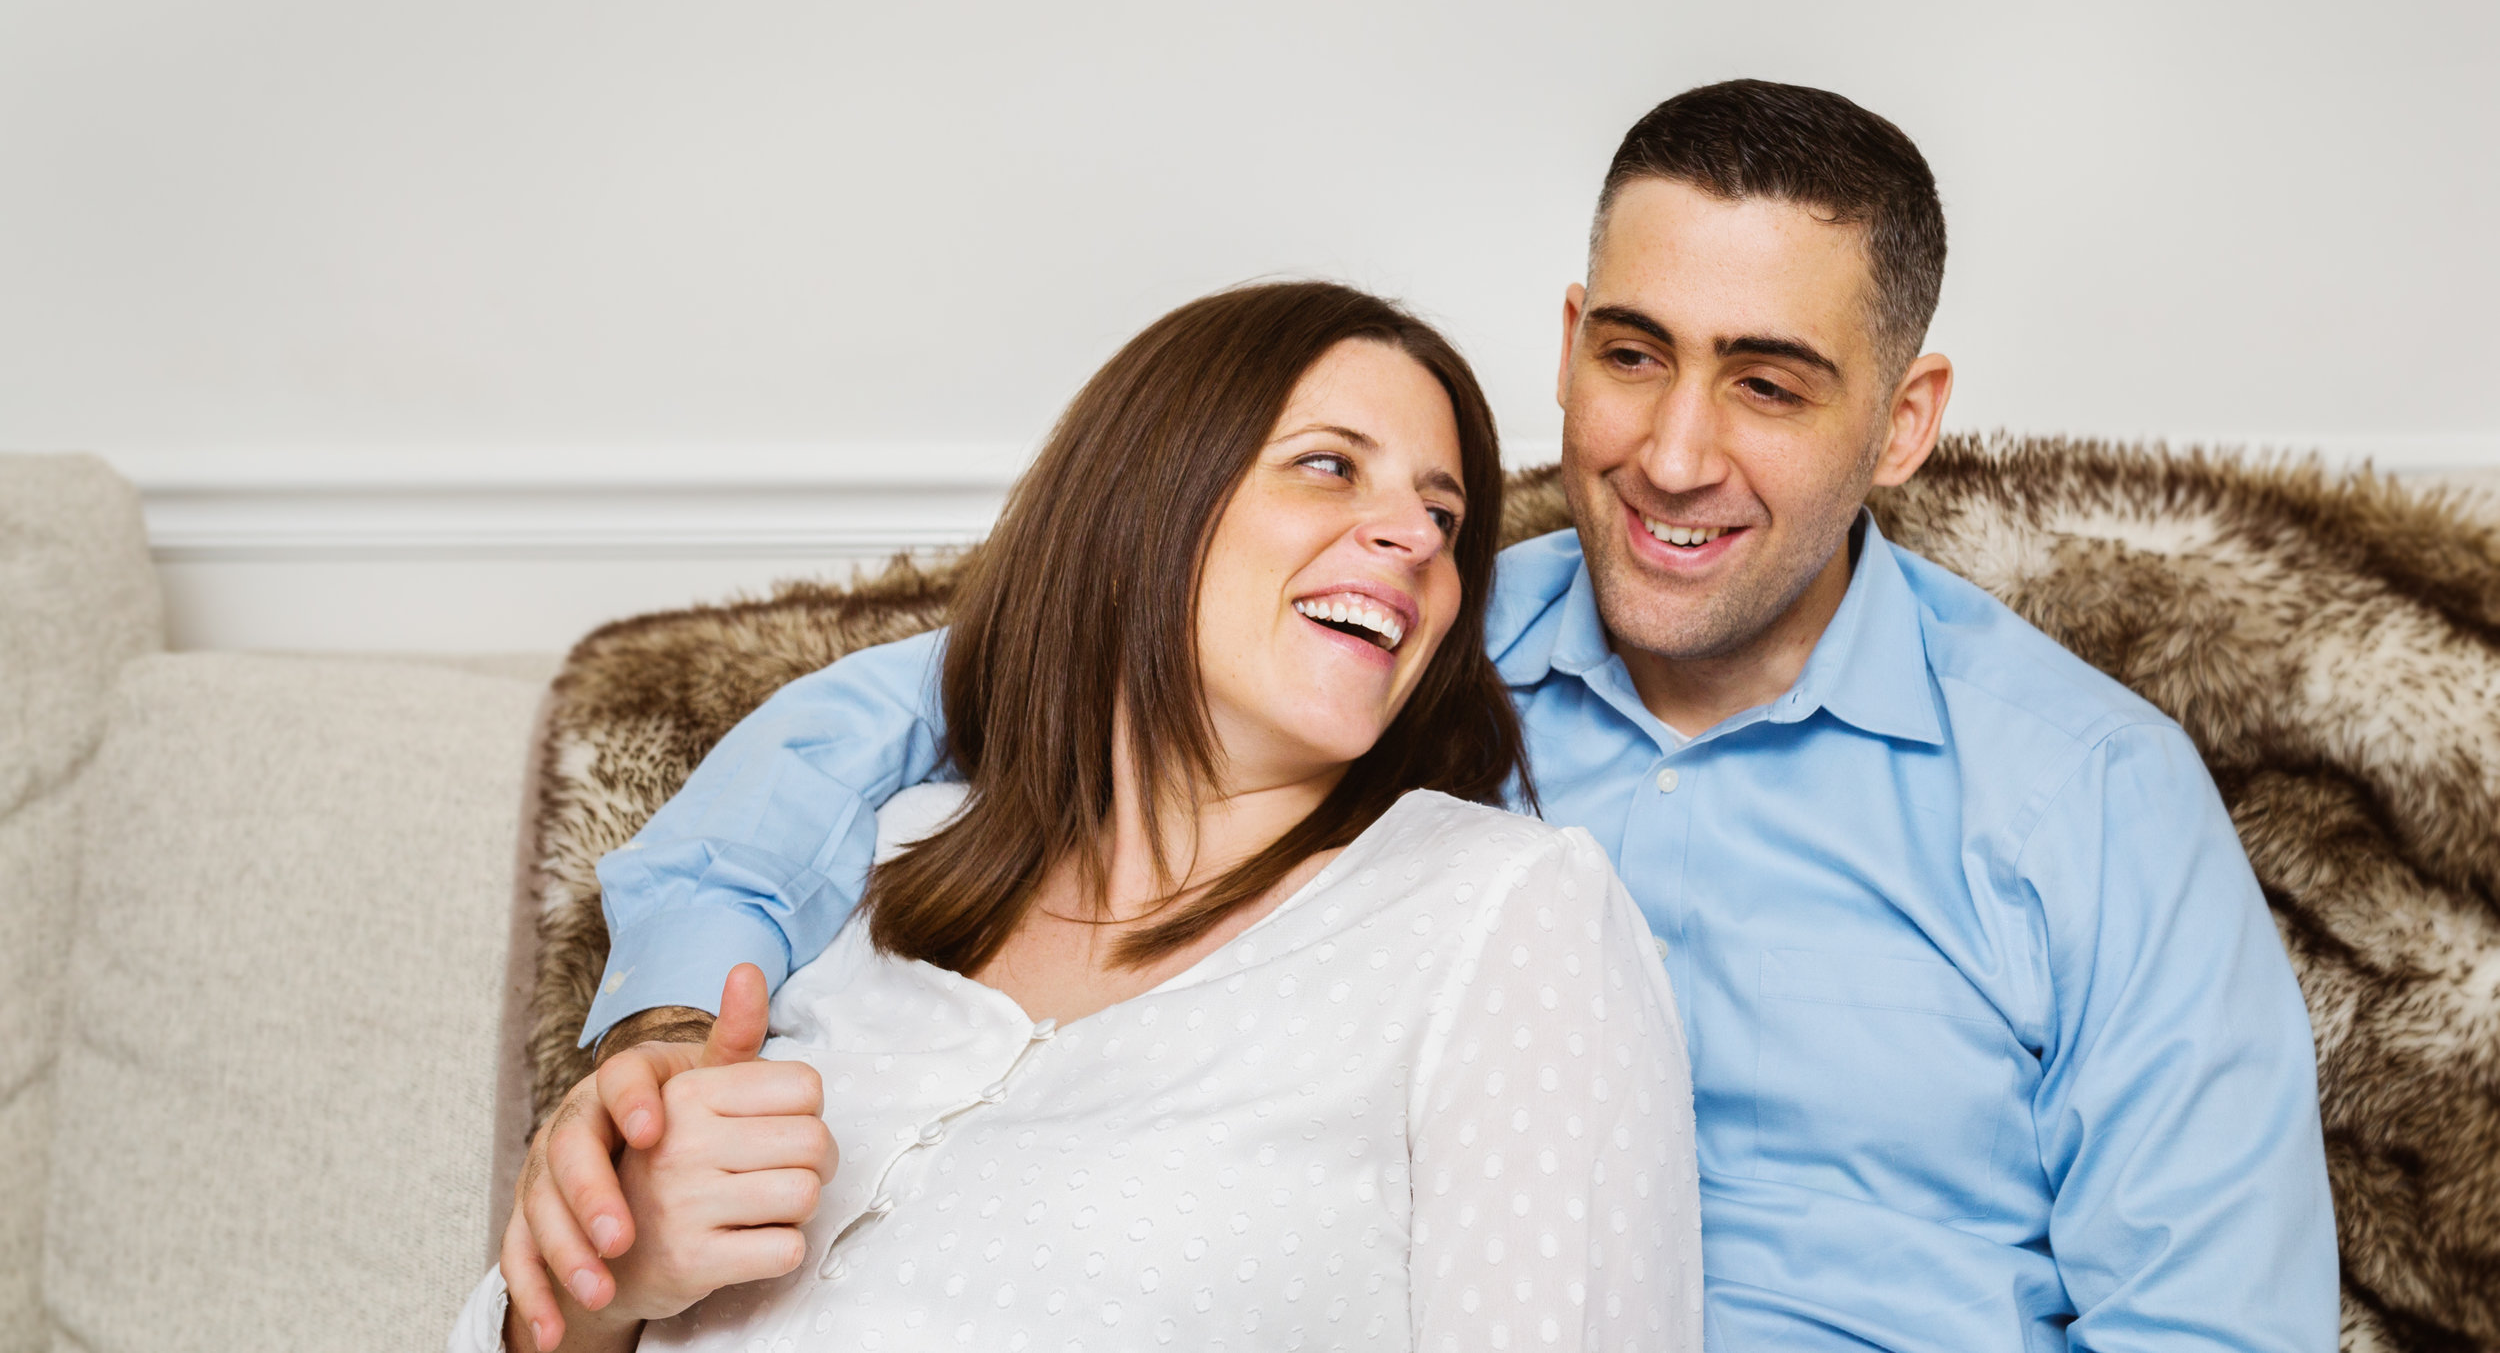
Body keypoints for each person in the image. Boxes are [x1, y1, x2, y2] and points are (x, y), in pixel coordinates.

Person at [512, 81, 2340, 1352]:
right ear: (1567, 332)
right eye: (1631, 354)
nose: (1673, 453)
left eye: (1769, 384)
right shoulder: (1392, 655)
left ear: (1907, 417)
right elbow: (927, 702)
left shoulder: (2090, 794)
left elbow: (2212, 1325)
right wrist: (673, 1015)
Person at [462, 282, 1705, 1351]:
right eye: (1330, 464)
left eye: (1444, 519)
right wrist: (609, 1283)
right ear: (1140, 504)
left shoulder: (1502, 913)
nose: (1411, 538)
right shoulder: (867, 862)